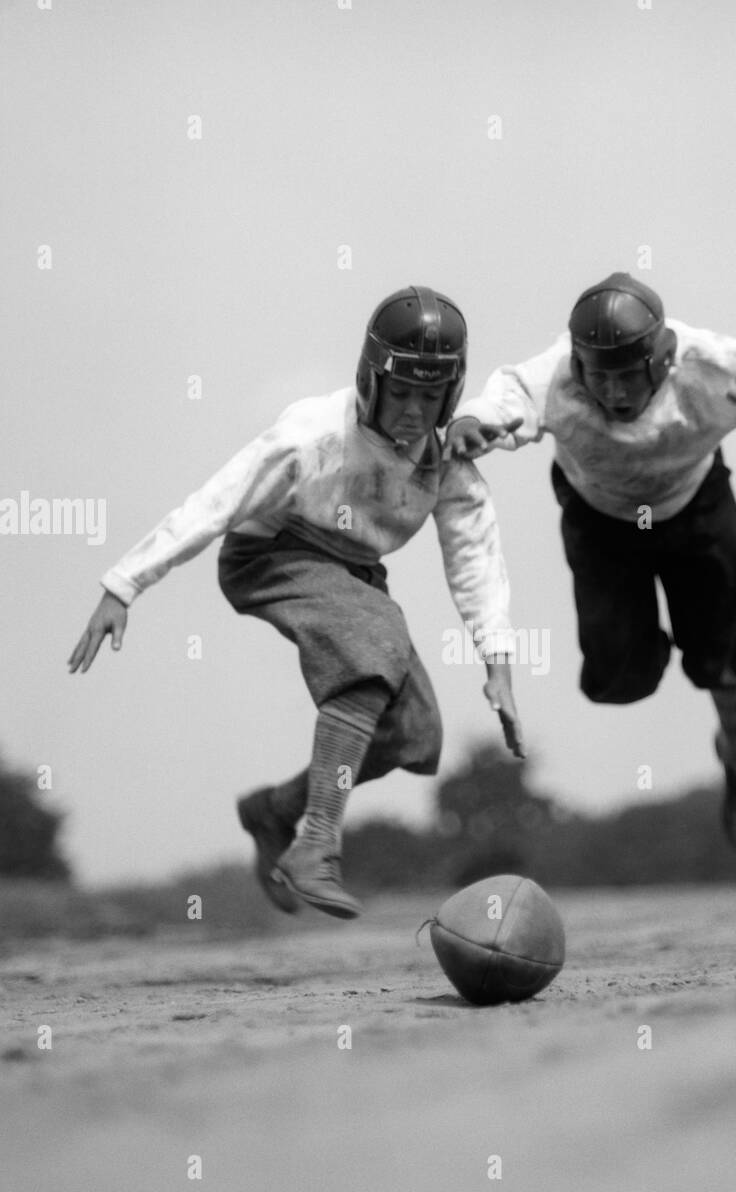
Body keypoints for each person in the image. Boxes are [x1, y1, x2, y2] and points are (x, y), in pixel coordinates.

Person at [69, 286, 524, 918]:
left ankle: (274, 813)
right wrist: (125, 583)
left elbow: (475, 557)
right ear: (371, 380)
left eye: (431, 397)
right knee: (375, 639)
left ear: (450, 397)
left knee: (413, 733)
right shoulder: (311, 437)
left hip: (353, 572)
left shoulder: (447, 461)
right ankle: (317, 844)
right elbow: (217, 500)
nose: (415, 412)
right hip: (271, 554)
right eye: (402, 393)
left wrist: (497, 663)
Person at [444, 272, 736, 849]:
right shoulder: (560, 376)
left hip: (696, 510)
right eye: (599, 378)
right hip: (603, 522)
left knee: (723, 662)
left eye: (624, 379)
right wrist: (471, 424)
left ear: (662, 362)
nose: (611, 394)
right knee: (616, 681)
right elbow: (504, 398)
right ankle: (645, 640)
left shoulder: (710, 365)